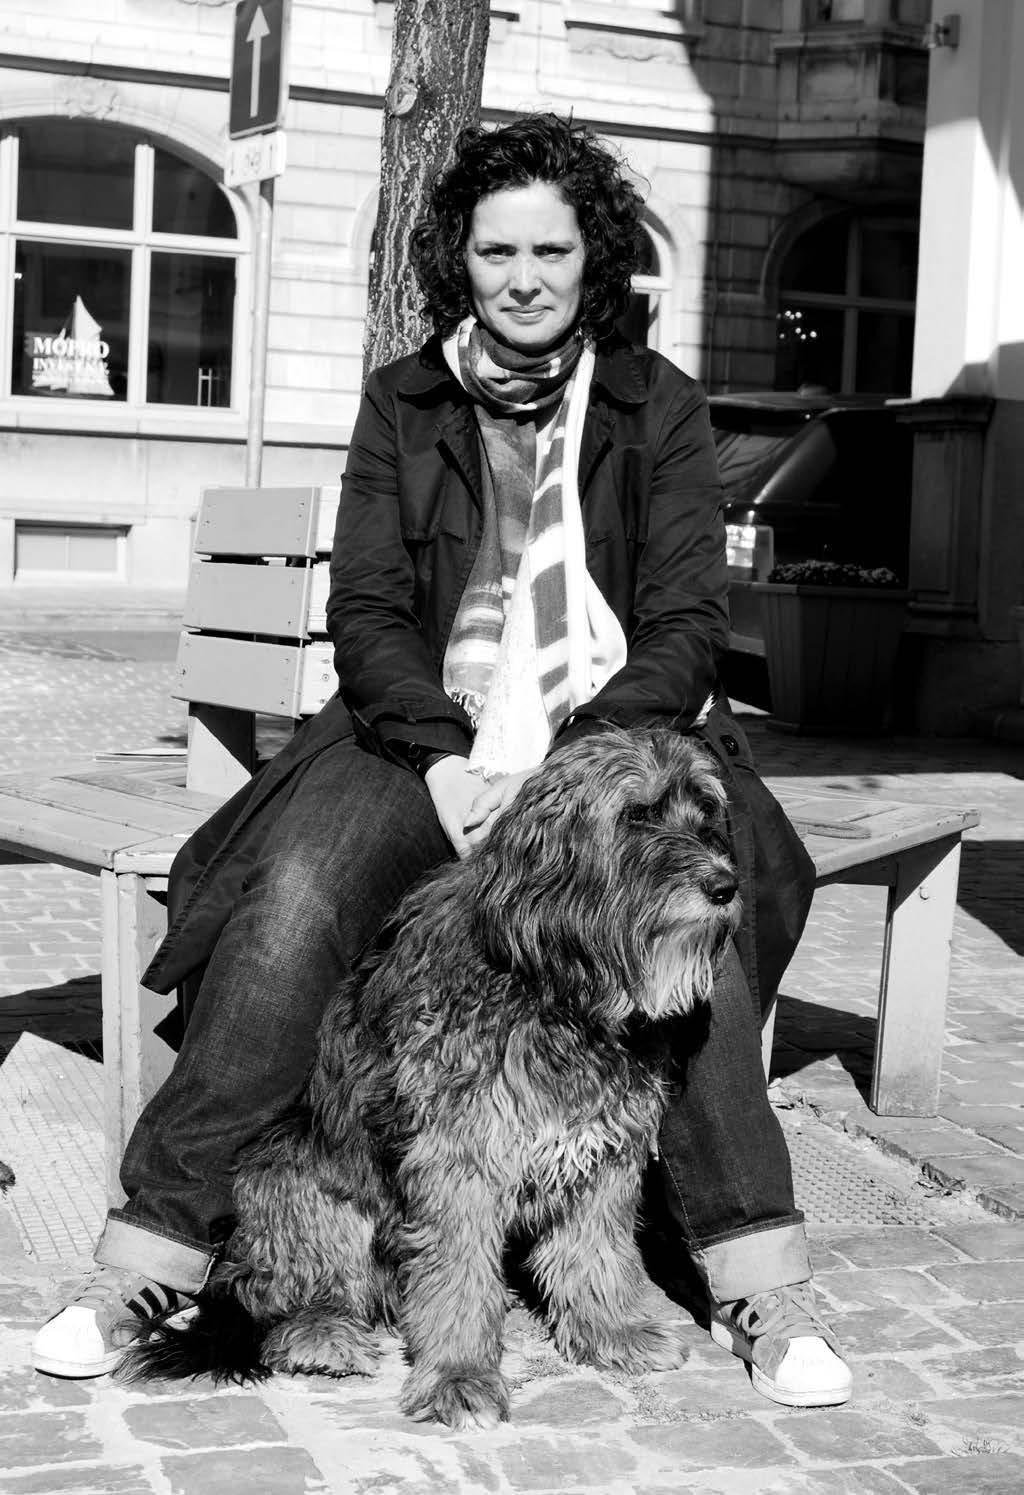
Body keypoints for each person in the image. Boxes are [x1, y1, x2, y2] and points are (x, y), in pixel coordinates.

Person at [34, 114, 850, 1409]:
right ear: (457, 262)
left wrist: (572, 762)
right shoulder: (405, 401)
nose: (524, 278)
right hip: (422, 738)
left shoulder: (657, 405)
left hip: (616, 739)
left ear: (593, 260)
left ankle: (757, 1277)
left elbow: (689, 621)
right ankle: (153, 1256)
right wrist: (450, 759)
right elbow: (366, 612)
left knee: (691, 915)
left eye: (551, 250)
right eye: (495, 252)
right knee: (296, 898)